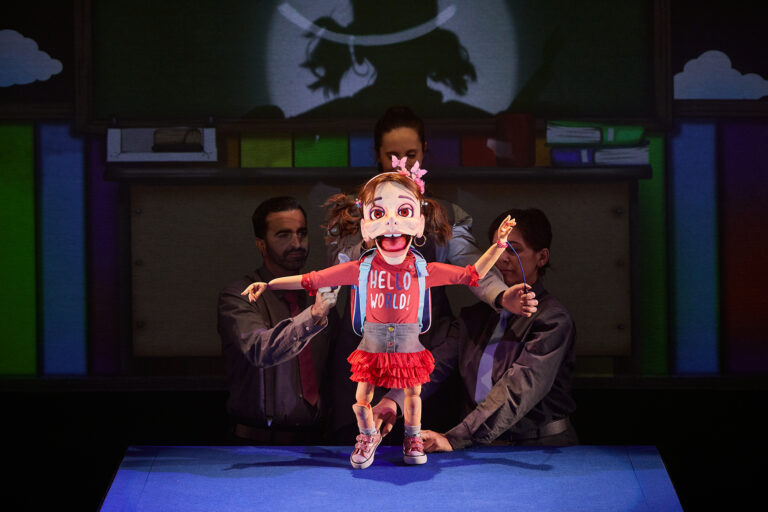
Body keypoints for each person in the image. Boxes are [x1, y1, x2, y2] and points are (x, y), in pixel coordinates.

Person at [242, 160, 526, 469]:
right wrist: (269, 285)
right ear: (366, 228)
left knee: (413, 395)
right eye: (379, 214)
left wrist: (499, 245)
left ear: (419, 224)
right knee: (362, 400)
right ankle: (367, 437)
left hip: (409, 347)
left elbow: (472, 274)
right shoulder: (359, 268)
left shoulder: (424, 270)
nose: (392, 224)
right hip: (372, 346)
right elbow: (313, 279)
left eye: (403, 212)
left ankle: (412, 439)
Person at [323, 106, 535, 443]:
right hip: (364, 355)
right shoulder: (356, 213)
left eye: (410, 154)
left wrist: (500, 295)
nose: (401, 164)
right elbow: (335, 271)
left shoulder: (442, 213)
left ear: (424, 151)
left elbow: (470, 265)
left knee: (419, 443)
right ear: (376, 154)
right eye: (392, 155)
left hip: (423, 355)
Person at [377, 208, 578, 449]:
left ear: (542, 257)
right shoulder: (474, 316)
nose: (503, 259)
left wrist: (456, 437)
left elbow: (517, 390)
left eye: (514, 250)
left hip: (542, 447)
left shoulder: (552, 318)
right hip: (482, 445)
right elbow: (434, 365)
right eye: (498, 249)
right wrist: (394, 400)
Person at [217, 196, 339, 444]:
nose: (297, 243)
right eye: (284, 235)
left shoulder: (318, 296)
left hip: (317, 442)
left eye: (301, 233)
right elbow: (259, 350)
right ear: (261, 244)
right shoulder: (240, 295)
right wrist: (313, 316)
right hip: (256, 443)